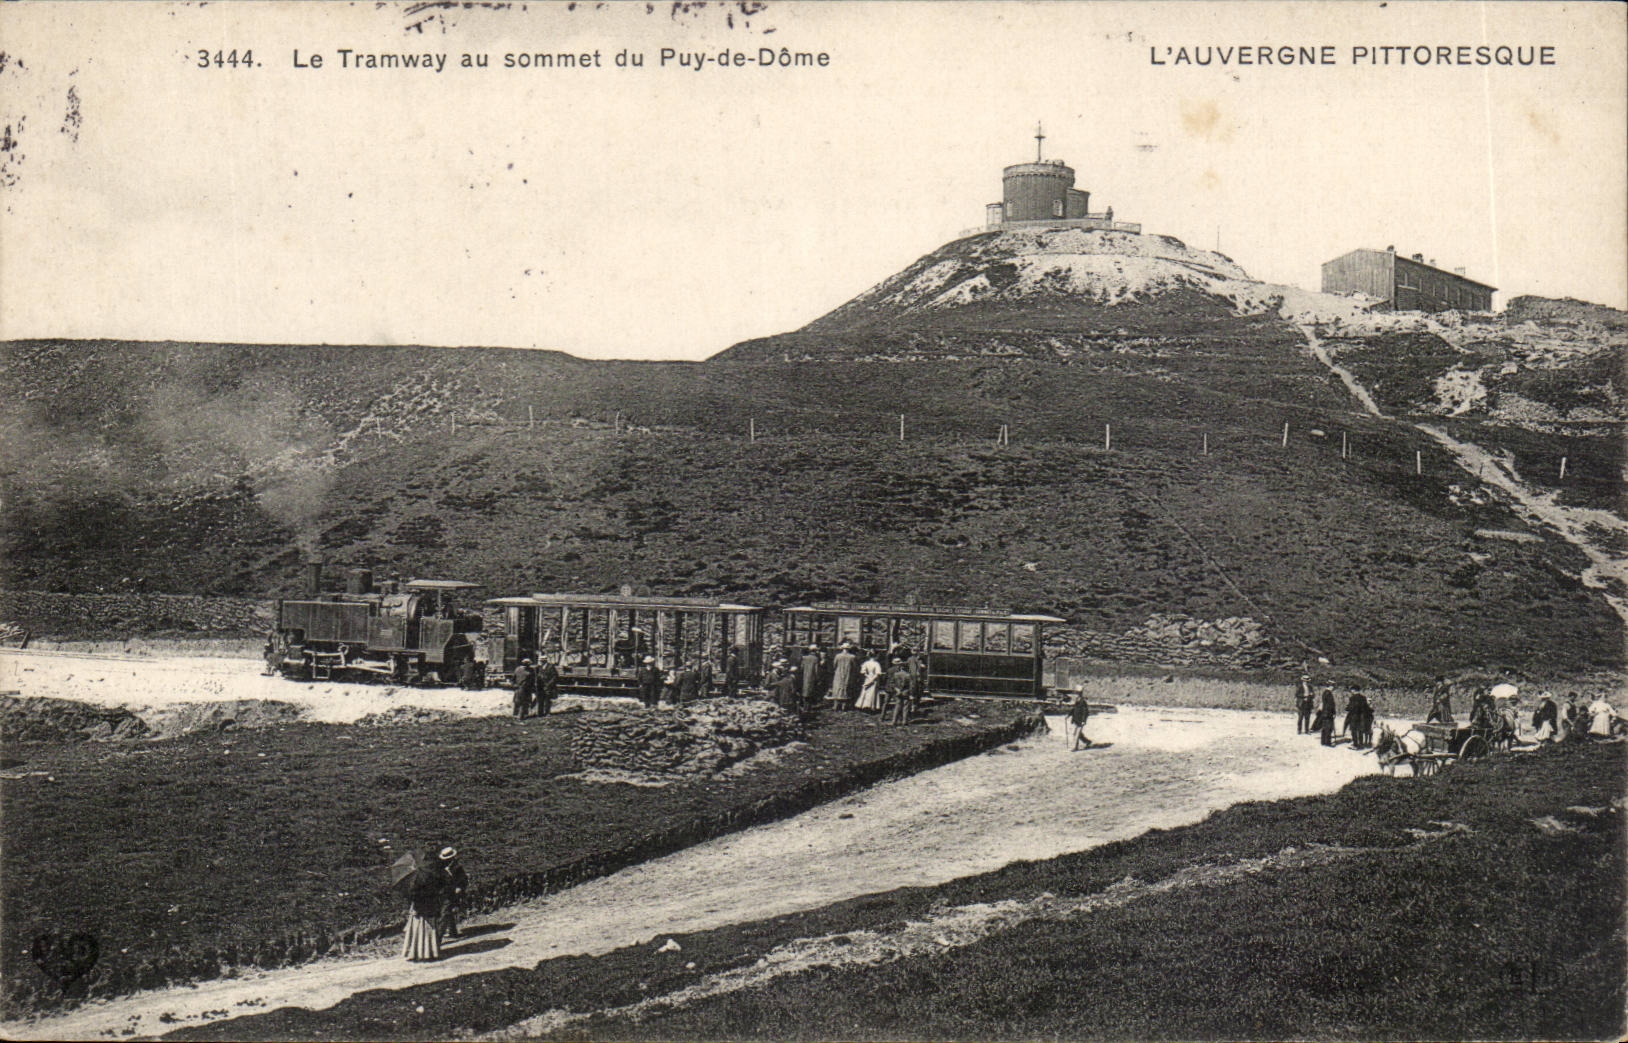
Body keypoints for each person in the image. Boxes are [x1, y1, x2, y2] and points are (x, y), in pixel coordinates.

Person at [402, 864, 445, 962]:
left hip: (419, 908)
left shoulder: (415, 880)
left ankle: (417, 952)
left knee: (418, 930)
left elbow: (413, 895)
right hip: (431, 907)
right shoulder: (432, 875)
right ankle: (430, 952)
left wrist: (414, 905)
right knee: (429, 930)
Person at [436, 847, 469, 940]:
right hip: (443, 892)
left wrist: (459, 888)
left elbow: (464, 880)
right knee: (448, 912)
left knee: (445, 913)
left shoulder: (457, 867)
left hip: (452, 893)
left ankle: (438, 938)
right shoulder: (441, 866)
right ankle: (453, 932)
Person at [883, 657, 913, 725]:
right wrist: (911, 694)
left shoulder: (896, 674)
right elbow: (911, 686)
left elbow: (892, 683)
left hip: (898, 692)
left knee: (897, 706)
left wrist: (897, 689)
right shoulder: (908, 675)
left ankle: (894, 721)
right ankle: (904, 721)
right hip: (906, 692)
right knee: (905, 707)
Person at [828, 643, 857, 710]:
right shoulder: (852, 657)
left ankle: (835, 706)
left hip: (838, 674)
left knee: (837, 688)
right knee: (846, 688)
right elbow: (854, 667)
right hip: (848, 674)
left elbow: (834, 665)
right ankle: (844, 706)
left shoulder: (838, 656)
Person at [800, 645, 823, 712]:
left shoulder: (804, 658)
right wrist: (818, 678)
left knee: (805, 692)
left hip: (804, 676)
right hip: (812, 677)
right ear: (815, 651)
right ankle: (807, 708)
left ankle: (804, 706)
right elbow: (817, 670)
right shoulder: (815, 659)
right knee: (810, 693)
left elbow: (801, 668)